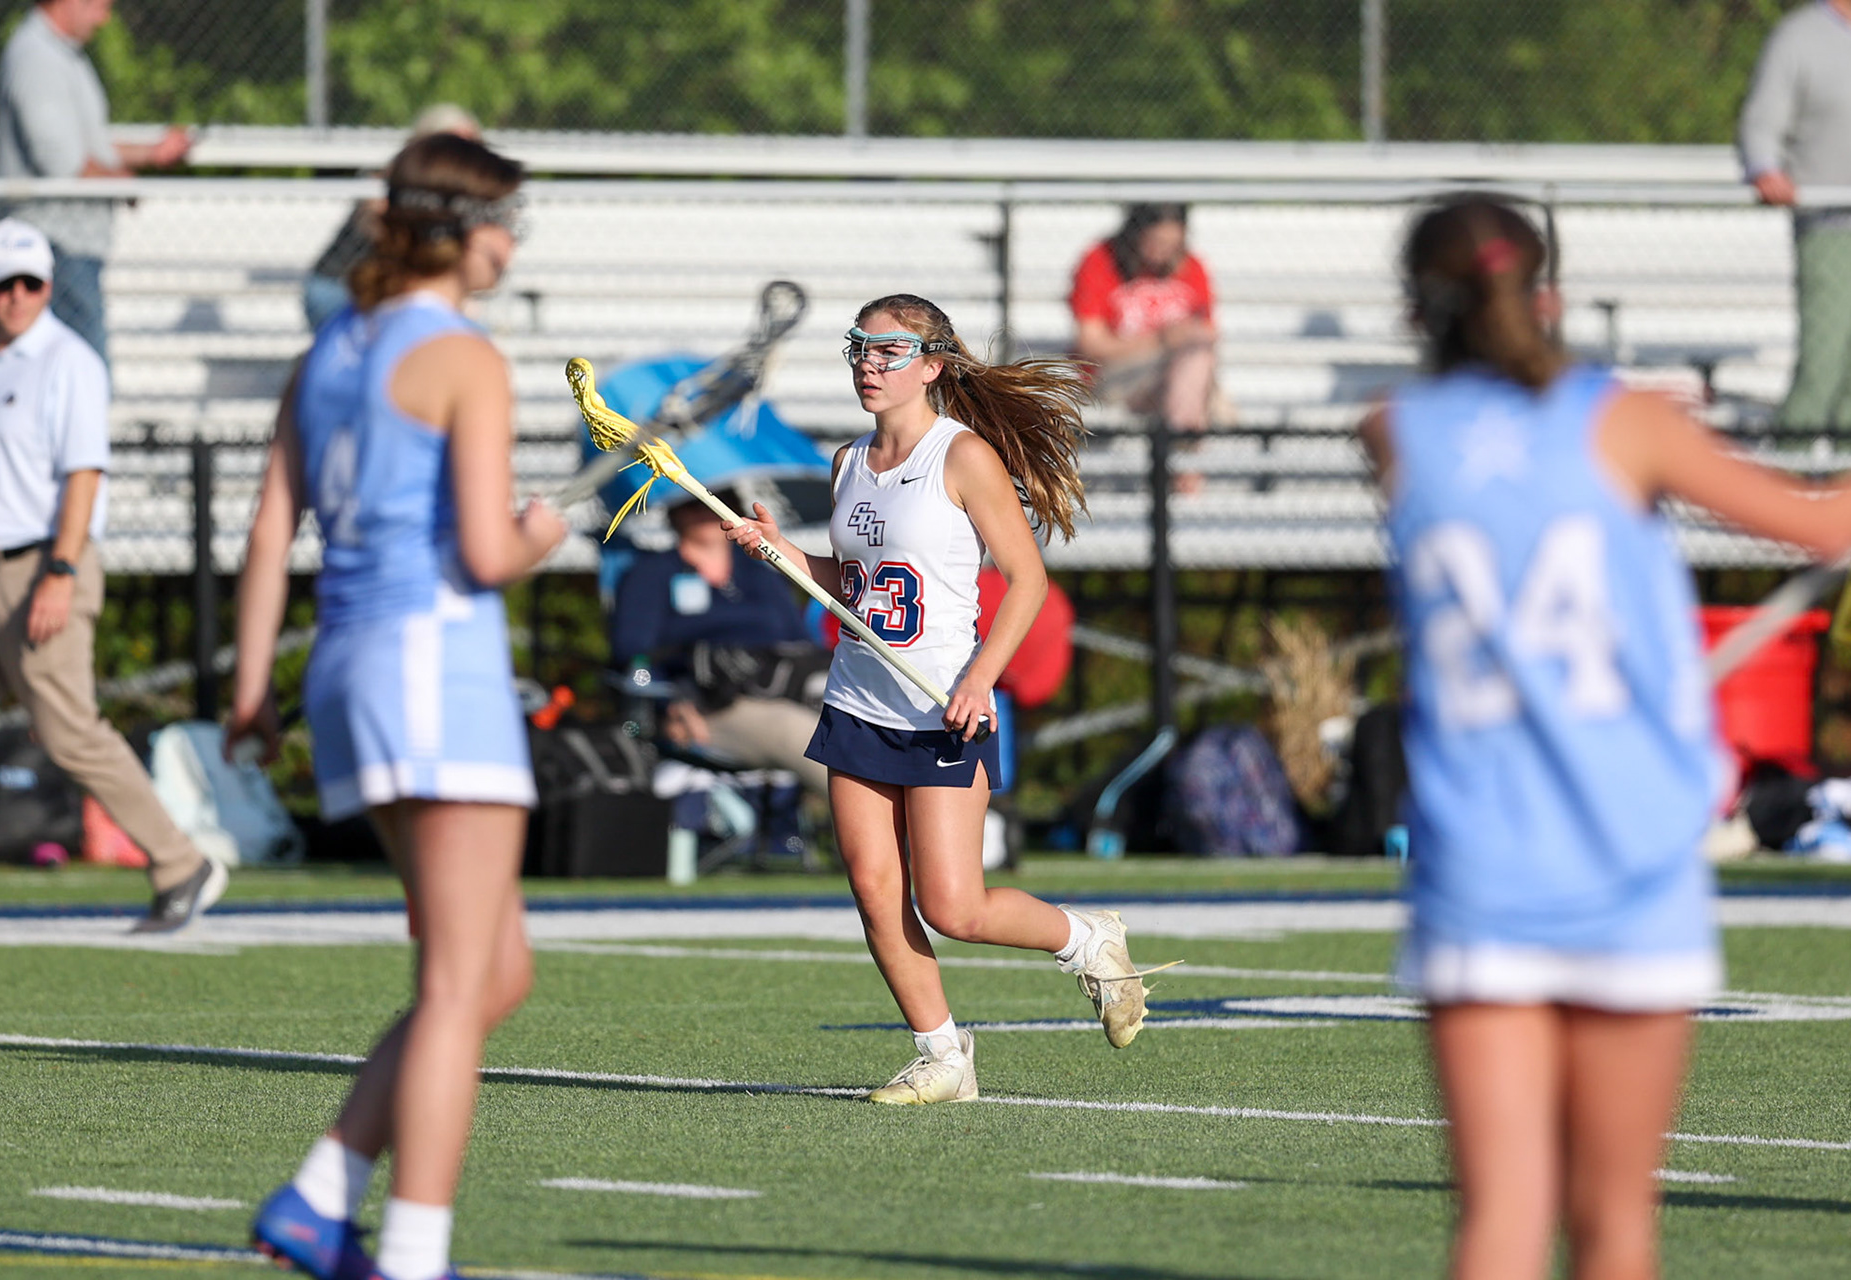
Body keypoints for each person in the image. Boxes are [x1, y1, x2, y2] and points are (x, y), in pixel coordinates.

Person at [1362, 195, 1851, 1280]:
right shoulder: (1625, 420)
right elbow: (1828, 523)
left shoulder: (1394, 433)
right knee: (1615, 1228)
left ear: (1418, 308)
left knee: (1499, 1224)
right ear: (1546, 291)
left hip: (1479, 865)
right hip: (1627, 858)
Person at [230, 133, 563, 1280]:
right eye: (505, 220)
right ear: (462, 230)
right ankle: (413, 1254)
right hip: (436, 671)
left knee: (493, 971)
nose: (513, 241)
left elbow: (272, 530)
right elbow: (483, 550)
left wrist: (248, 689)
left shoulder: (329, 347)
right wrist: (542, 534)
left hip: (346, 669)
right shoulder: (465, 355)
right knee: (458, 981)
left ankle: (321, 1193)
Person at [729, 293, 1163, 1105]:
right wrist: (786, 555)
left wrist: (979, 676)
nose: (868, 363)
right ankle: (941, 1055)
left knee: (955, 906)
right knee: (871, 886)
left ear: (931, 366)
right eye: (859, 347)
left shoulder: (962, 458)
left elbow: (1027, 580)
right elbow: (856, 588)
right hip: (860, 698)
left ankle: (1087, 938)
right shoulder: (847, 462)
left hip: (941, 708)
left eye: (889, 351)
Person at [0, 217, 225, 940]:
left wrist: (62, 571)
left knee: (67, 730)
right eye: (3, 282)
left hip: (42, 563)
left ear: (46, 286)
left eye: (31, 283)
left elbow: (84, 472)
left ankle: (180, 862)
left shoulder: (67, 361)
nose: (16, 297)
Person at [0, 0, 194, 363]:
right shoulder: (37, 58)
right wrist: (121, 183)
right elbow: (62, 162)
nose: (104, 18)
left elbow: (87, 146)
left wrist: (152, 153)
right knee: (83, 370)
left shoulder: (65, 56)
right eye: (99, 5)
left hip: (70, 245)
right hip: (54, 246)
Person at [610, 493, 827, 795]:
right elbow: (633, 654)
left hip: (787, 689)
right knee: (808, 736)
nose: (704, 511)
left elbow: (801, 643)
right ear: (674, 512)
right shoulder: (650, 575)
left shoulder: (762, 575)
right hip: (710, 705)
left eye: (714, 501)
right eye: (692, 502)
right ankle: (879, 834)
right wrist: (670, 703)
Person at [1738, 0, 1851, 438]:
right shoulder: (1800, 37)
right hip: (1831, 226)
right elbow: (1760, 125)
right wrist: (1766, 170)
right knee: (1825, 361)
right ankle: (1789, 469)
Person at [1068, 202, 1234, 487]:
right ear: (1136, 234)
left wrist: (1183, 341)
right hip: (1116, 376)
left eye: (1172, 243)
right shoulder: (1101, 260)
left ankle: (1182, 464)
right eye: (1155, 242)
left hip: (1180, 382)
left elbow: (1207, 335)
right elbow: (1091, 344)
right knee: (1192, 368)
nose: (1163, 251)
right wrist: (1161, 341)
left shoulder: (1190, 264)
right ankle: (1186, 473)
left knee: (1194, 361)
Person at [303, 104, 484, 334]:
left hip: (389, 293)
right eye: (456, 144)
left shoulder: (454, 195)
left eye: (473, 144)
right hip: (339, 288)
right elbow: (388, 237)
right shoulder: (389, 180)